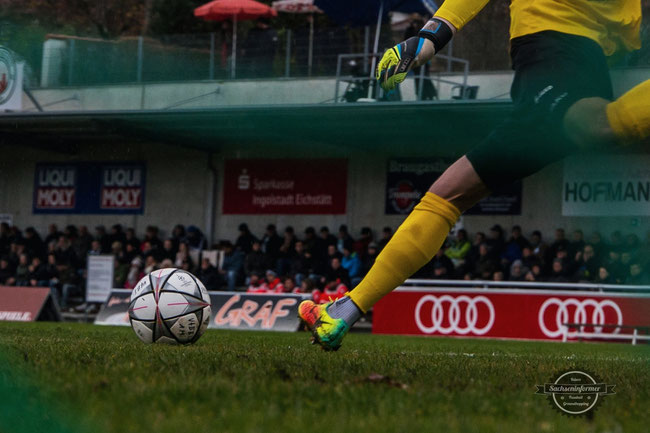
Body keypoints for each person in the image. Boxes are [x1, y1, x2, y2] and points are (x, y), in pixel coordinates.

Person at [299, 0, 647, 350]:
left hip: (556, 54)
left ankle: (345, 310)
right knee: (446, 194)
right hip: (561, 61)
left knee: (596, 125)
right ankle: (344, 310)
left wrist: (430, 37)